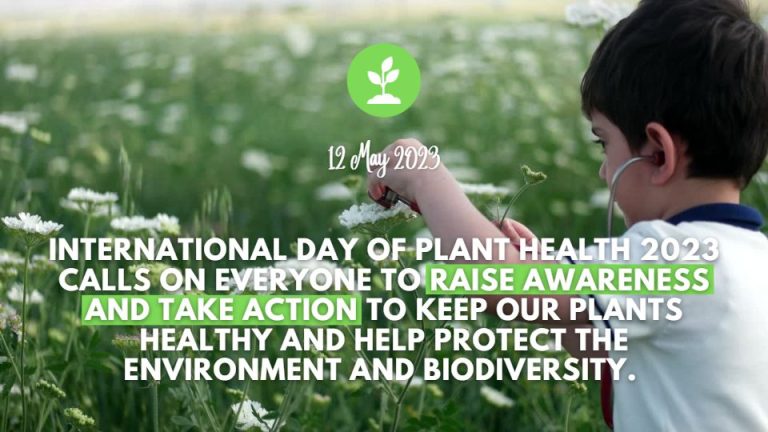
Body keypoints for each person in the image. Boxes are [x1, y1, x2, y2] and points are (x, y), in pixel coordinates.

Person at [366, 0, 768, 430]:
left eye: (604, 143)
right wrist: (551, 288)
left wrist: (425, 178)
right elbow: (621, 352)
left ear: (657, 152)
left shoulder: (674, 255)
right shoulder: (751, 259)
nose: (602, 170)